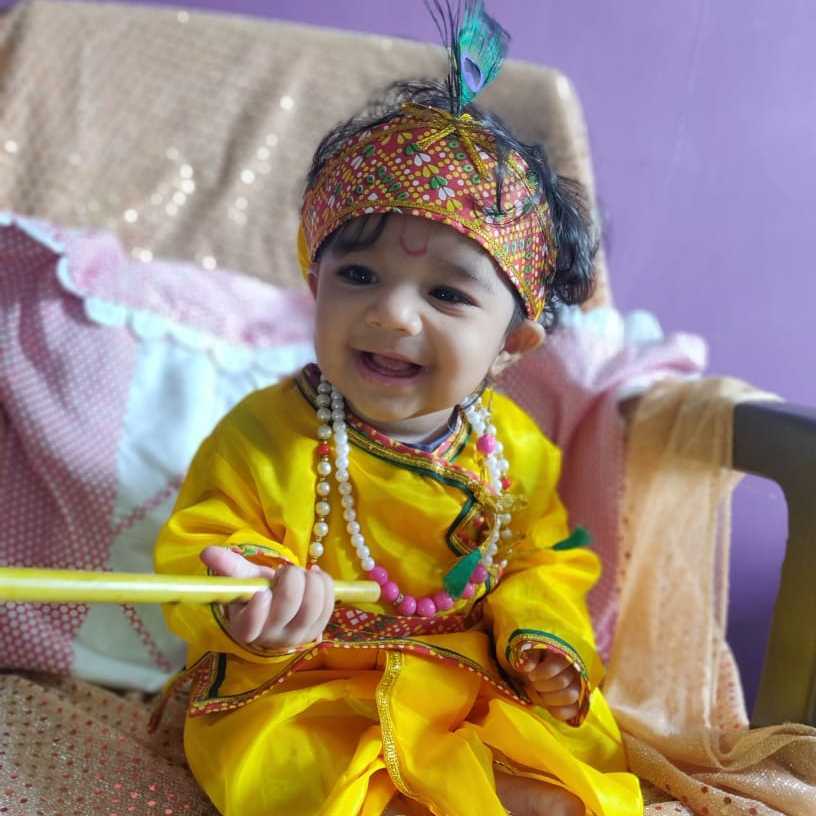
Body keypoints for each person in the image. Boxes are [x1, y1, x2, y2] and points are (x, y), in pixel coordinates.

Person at [154, 3, 643, 814]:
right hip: (305, 684)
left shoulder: (515, 453)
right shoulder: (264, 437)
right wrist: (250, 599)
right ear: (315, 285)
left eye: (447, 293)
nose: (390, 314)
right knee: (320, 775)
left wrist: (540, 636)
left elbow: (548, 561)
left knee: (559, 784)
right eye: (358, 276)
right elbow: (204, 542)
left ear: (513, 343)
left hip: (466, 683)